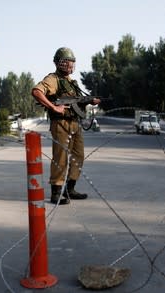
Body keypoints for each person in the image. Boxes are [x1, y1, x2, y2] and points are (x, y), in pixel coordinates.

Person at [31, 47, 101, 205]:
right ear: (59, 63)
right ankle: (56, 193)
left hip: (75, 123)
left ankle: (70, 188)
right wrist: (53, 107)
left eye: (72, 63)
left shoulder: (72, 82)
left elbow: (77, 101)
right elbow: (36, 91)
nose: (70, 66)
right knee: (60, 157)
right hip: (61, 124)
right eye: (67, 62)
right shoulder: (53, 79)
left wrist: (89, 100)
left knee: (78, 157)